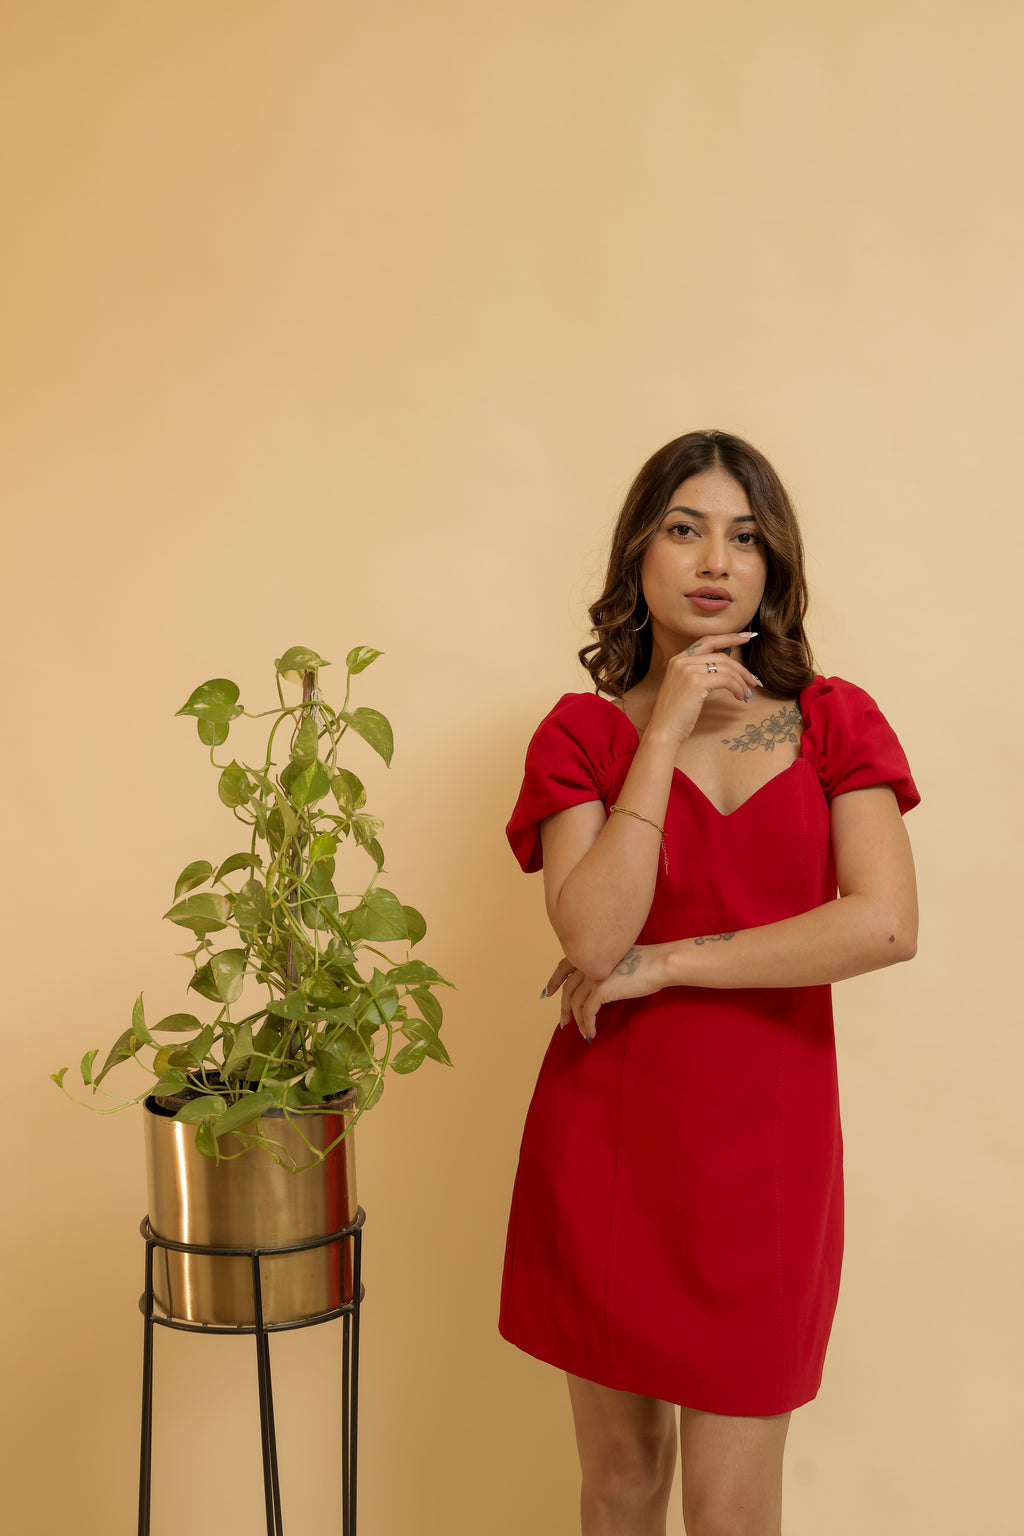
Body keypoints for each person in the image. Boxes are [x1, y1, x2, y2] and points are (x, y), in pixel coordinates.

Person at [501, 429, 919, 1536]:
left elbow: (880, 926)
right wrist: (667, 723)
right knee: (623, 1480)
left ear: (773, 567)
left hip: (768, 1153)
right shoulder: (581, 735)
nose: (714, 560)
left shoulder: (834, 721)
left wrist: (674, 962)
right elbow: (591, 936)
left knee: (733, 1510)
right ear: (637, 554)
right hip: (610, 1142)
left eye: (744, 537)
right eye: (683, 529)